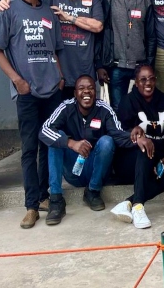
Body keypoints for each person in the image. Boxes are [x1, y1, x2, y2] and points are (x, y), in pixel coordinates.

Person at [0, 0, 65, 229]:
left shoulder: (48, 12)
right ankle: (31, 205)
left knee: (49, 145)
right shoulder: (9, 10)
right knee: (29, 149)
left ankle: (45, 196)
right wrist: (17, 80)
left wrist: (60, 76)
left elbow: (54, 49)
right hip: (27, 92)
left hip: (51, 91)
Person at [0, 0, 105, 98]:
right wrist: (6, 2)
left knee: (83, 115)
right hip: (59, 69)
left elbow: (98, 26)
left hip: (84, 65)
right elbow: (31, 7)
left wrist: (68, 17)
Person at [39, 76, 140, 224]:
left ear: (95, 91)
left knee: (107, 141)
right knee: (56, 137)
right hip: (73, 170)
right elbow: (44, 130)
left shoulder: (104, 109)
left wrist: (137, 138)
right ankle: (56, 199)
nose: (86, 91)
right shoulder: (66, 107)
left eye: (91, 88)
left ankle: (92, 192)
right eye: (81, 88)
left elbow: (118, 133)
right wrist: (71, 143)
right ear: (75, 93)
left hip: (95, 171)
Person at [110, 65, 164, 229]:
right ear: (136, 83)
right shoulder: (128, 101)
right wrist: (136, 136)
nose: (148, 83)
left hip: (157, 158)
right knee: (144, 148)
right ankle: (139, 206)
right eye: (143, 79)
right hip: (130, 162)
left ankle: (129, 202)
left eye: (151, 79)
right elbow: (119, 131)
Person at [96, 0, 156, 108]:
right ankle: (120, 132)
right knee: (118, 107)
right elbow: (99, 33)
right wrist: (100, 65)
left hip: (139, 66)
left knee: (141, 107)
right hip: (116, 65)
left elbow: (151, 36)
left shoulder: (146, 2)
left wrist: (148, 63)